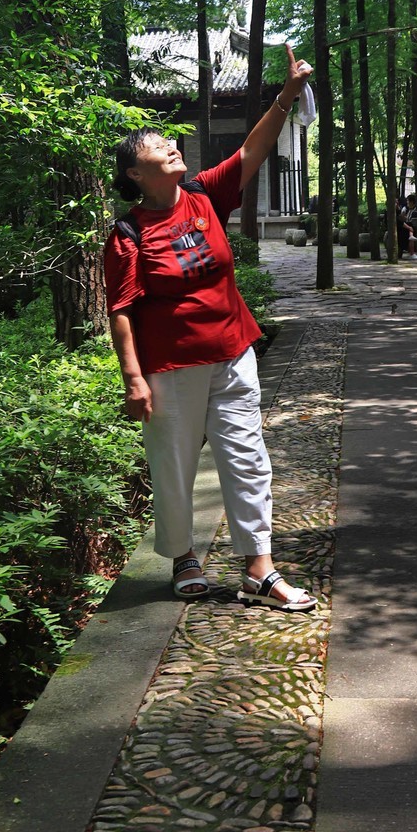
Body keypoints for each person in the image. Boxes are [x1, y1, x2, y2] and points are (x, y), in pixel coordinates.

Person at [103, 45, 317, 614]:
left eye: (171, 143)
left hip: (232, 350)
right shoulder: (128, 232)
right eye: (157, 147)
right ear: (134, 171)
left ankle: (259, 569)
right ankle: (184, 559)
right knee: (172, 465)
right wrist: (133, 379)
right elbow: (120, 308)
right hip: (169, 365)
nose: (172, 147)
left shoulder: (202, 196)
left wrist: (287, 95)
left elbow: (253, 148)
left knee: (247, 457)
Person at [399, 194, 417, 260]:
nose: (407, 202)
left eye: (408, 201)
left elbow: (410, 219)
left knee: (412, 229)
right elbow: (404, 220)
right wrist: (403, 215)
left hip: (412, 227)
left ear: (412, 202)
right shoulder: (406, 209)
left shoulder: (415, 210)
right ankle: (412, 253)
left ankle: (416, 252)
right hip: (407, 228)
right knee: (411, 230)